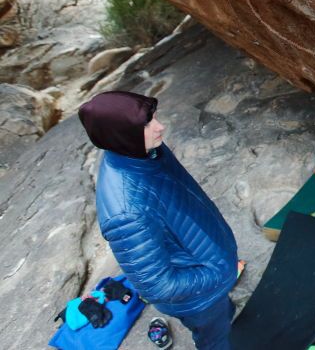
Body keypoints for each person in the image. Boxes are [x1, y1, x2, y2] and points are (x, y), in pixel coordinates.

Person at [78, 91, 238, 350]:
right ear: (123, 135)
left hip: (207, 263)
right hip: (200, 297)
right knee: (215, 339)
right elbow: (158, 286)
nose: (160, 126)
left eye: (153, 118)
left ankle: (226, 312)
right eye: (147, 124)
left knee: (222, 315)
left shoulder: (143, 152)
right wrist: (217, 272)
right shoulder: (126, 213)